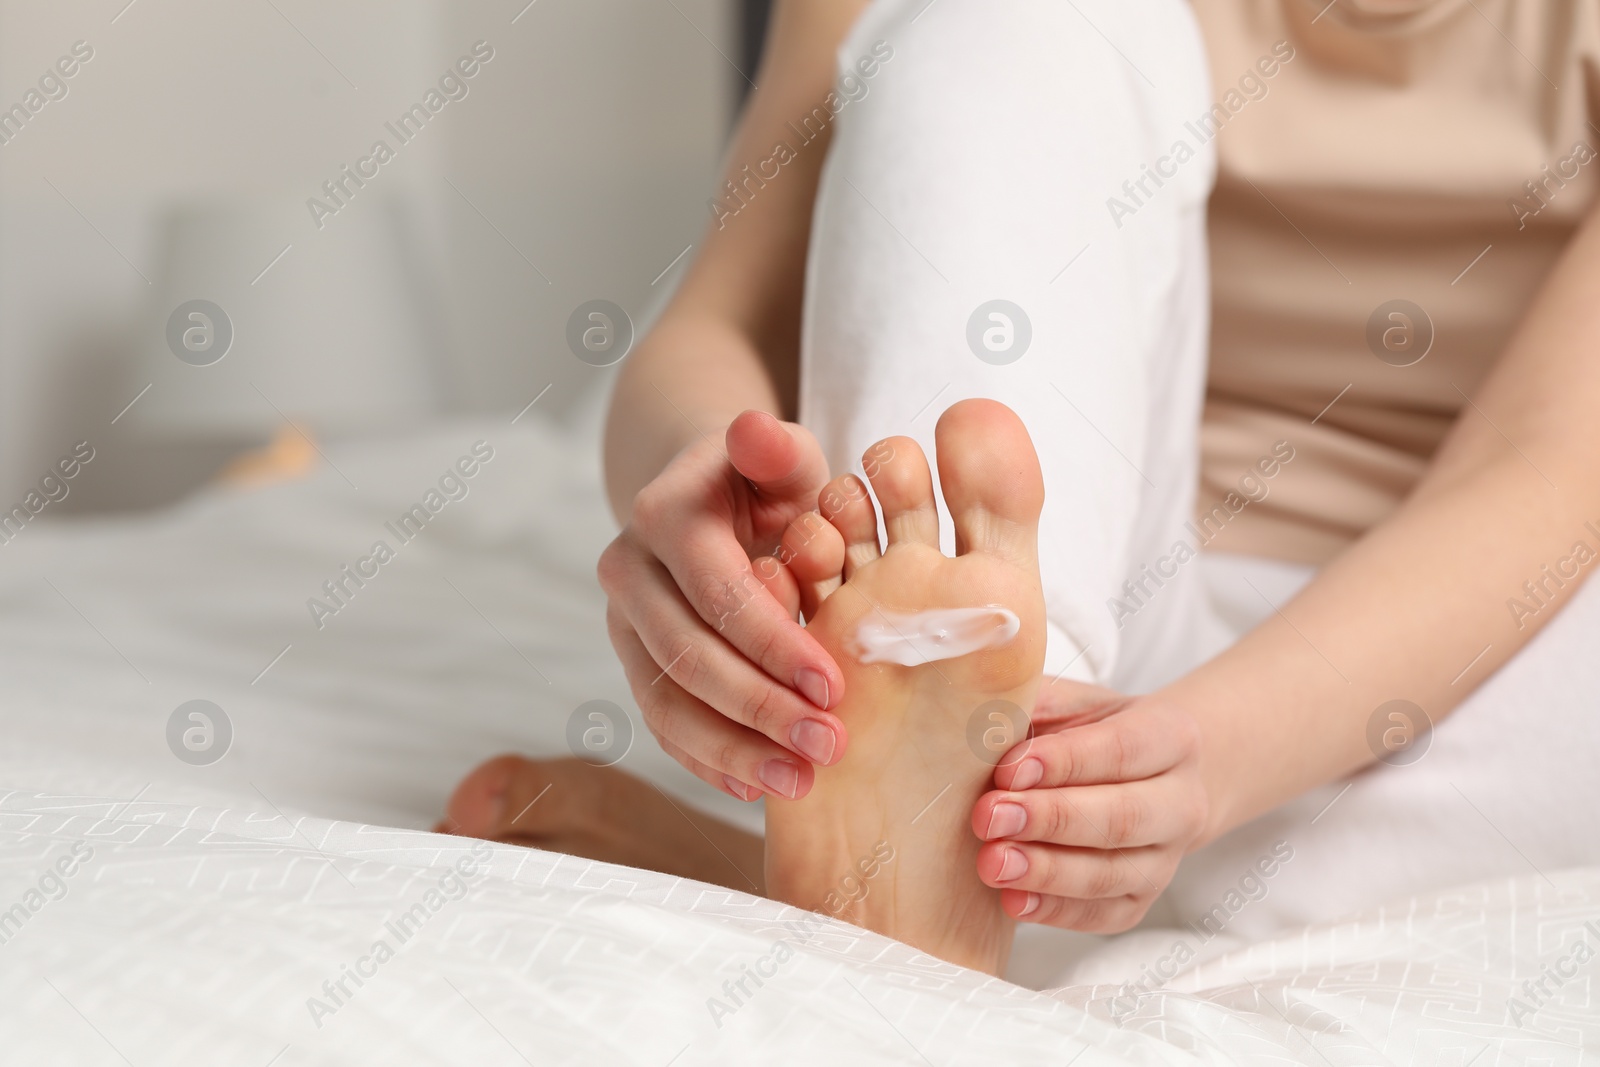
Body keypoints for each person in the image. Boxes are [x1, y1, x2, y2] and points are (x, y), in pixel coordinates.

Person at [440, 0, 1600, 976]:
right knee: (1002, 17)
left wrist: (1202, 764)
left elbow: (1538, 475)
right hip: (1089, 622)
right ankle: (964, 780)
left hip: (1480, 667)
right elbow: (716, 322)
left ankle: (909, 864)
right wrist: (699, 484)